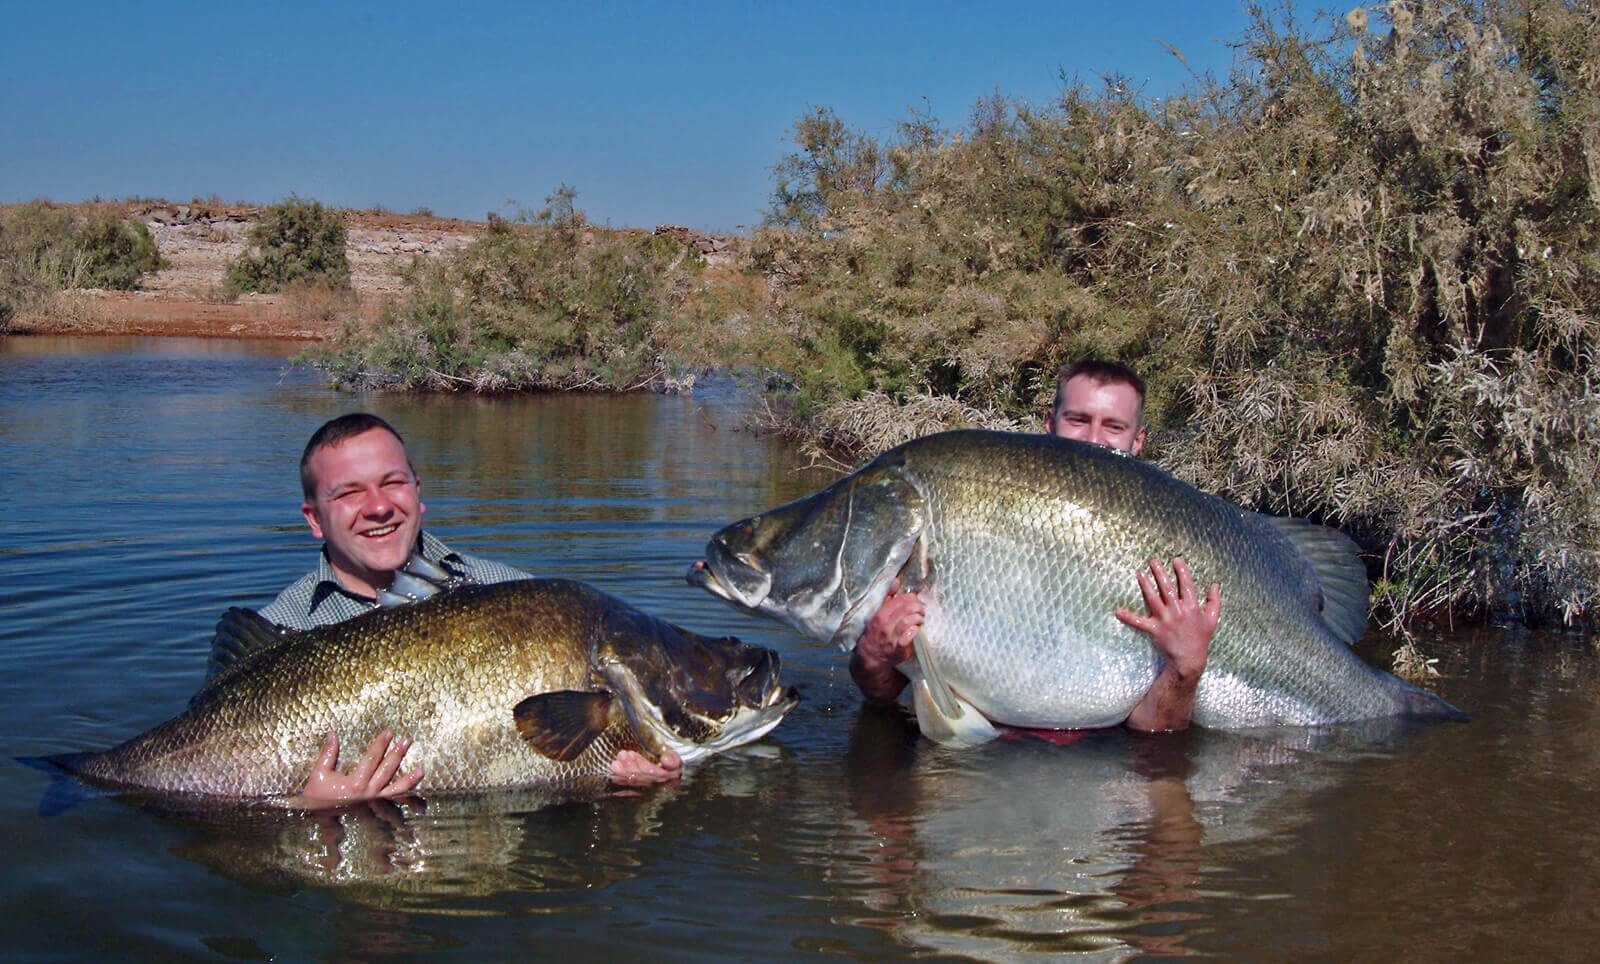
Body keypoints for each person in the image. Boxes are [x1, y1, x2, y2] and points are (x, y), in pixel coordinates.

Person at [228, 413, 682, 807]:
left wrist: (632, 769)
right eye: (349, 493)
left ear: (418, 492)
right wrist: (300, 805)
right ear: (313, 519)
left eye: (393, 482)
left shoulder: (522, 597)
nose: (380, 506)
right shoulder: (278, 629)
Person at [850, 361, 1221, 733]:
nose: (1093, 439)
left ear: (1137, 441)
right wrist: (873, 656)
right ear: (1051, 422)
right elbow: (881, 694)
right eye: (1078, 419)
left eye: (1114, 426)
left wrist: (1185, 668)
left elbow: (1153, 739)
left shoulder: (1177, 542)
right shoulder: (981, 510)